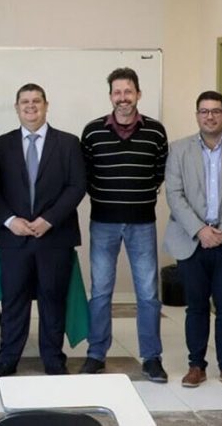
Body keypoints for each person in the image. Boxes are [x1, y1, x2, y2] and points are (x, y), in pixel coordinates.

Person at [0, 83, 85, 380]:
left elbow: (77, 185)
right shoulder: (2, 144)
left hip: (54, 236)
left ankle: (53, 359)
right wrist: (9, 219)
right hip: (14, 237)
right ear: (16, 108)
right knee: (13, 301)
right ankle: (7, 360)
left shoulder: (68, 143)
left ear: (46, 105)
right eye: (24, 102)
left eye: (36, 101)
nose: (31, 106)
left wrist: (49, 219)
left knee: (53, 299)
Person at [163, 91, 222, 392]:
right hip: (192, 241)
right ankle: (196, 366)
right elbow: (174, 195)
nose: (210, 116)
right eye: (204, 111)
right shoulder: (178, 149)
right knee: (196, 306)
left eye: (216, 111)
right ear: (197, 115)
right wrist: (200, 230)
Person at [79, 67, 169, 382]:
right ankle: (95, 354)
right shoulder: (91, 132)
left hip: (142, 223)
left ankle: (152, 358)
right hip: (103, 221)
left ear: (138, 94)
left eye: (128, 92)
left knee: (147, 294)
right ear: (110, 96)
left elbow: (160, 173)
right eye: (117, 92)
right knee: (101, 292)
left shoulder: (156, 132)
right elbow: (86, 175)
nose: (122, 98)